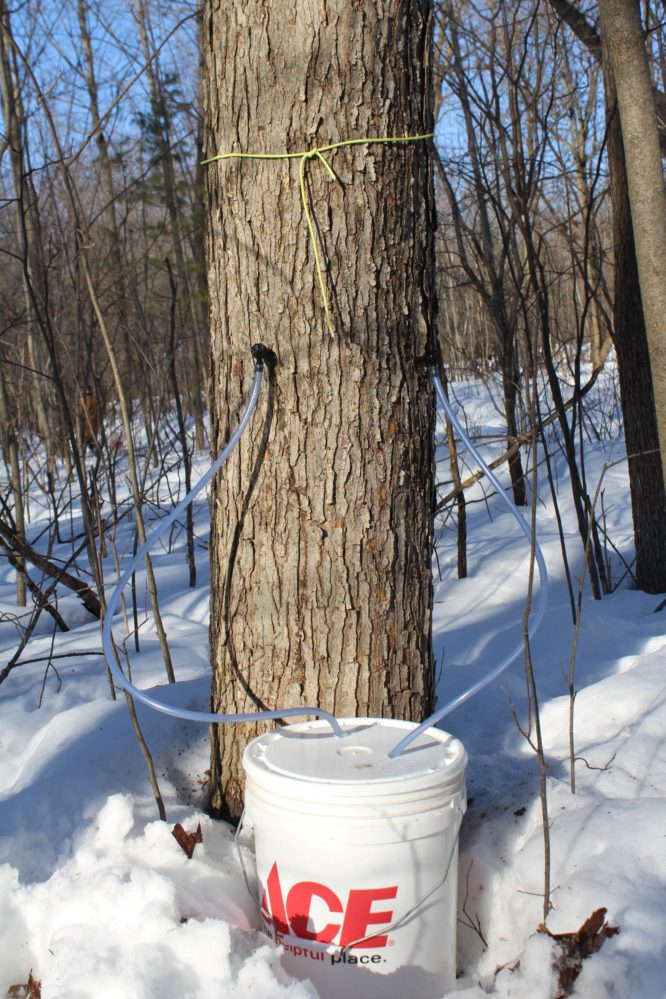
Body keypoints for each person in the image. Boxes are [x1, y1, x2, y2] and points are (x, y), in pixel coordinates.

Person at [79, 385, 99, 452]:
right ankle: (96, 452)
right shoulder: (95, 400)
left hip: (85, 429)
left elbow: (80, 414)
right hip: (93, 428)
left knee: (83, 447)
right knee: (92, 444)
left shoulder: (81, 401)